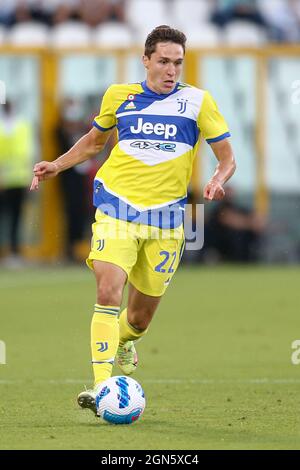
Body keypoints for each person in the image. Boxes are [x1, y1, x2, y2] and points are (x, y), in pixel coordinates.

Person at [30, 25, 236, 416]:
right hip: (116, 210)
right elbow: (93, 142)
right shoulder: (118, 96)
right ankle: (102, 387)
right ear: (146, 60)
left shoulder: (197, 102)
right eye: (163, 61)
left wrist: (216, 178)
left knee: (140, 318)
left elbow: (227, 156)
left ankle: (126, 339)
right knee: (108, 292)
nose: (171, 70)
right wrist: (56, 165)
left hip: (167, 223)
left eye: (177, 63)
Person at [0, 100, 33, 267]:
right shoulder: (20, 126)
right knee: (10, 218)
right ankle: (10, 252)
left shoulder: (22, 126)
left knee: (15, 218)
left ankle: (14, 252)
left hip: (18, 179)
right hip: (8, 179)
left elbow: (27, 154)